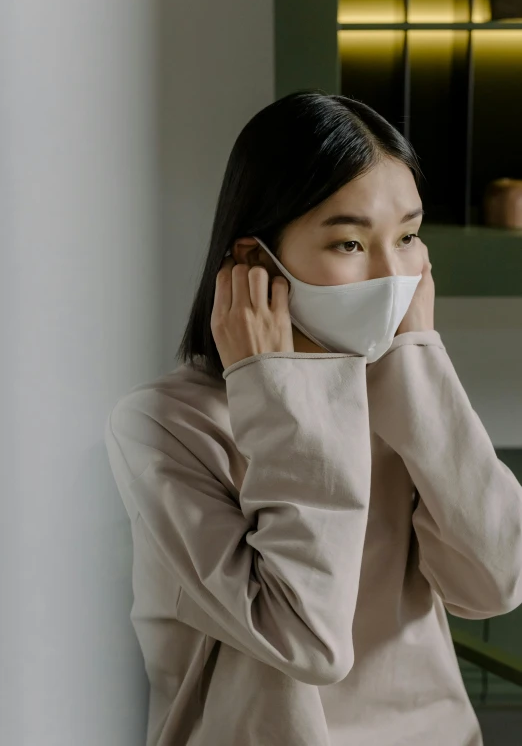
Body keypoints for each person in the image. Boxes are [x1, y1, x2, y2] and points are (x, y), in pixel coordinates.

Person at [104, 91, 522, 746]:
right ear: (253, 260)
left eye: (409, 236)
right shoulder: (163, 425)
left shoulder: (398, 392)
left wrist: (418, 363)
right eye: (351, 242)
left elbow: (496, 579)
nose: (392, 274)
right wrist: (280, 396)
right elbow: (307, 641)